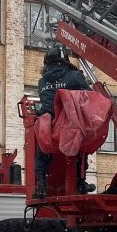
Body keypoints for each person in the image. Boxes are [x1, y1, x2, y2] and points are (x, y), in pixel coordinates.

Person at [34, 44, 95, 198]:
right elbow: (89, 97)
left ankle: (41, 184)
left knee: (42, 153)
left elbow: (47, 100)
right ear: (65, 59)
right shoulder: (74, 76)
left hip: (46, 125)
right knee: (81, 150)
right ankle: (80, 182)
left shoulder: (42, 81)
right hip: (68, 124)